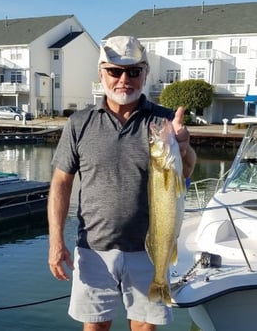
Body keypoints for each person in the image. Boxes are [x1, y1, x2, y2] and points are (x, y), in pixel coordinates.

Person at [48, 35, 196, 331]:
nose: (124, 79)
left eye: (134, 71)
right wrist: (55, 241)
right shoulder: (79, 123)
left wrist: (184, 149)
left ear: (145, 74)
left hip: (148, 249)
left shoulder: (163, 122)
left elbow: (185, 172)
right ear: (101, 73)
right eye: (115, 71)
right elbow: (61, 184)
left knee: (144, 327)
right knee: (96, 327)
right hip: (92, 247)